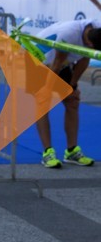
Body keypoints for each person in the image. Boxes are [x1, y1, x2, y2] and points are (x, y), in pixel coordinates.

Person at [34, 19, 101, 168]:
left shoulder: (97, 29)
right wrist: (47, 90)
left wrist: (73, 86)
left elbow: (84, 59)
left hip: (61, 63)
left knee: (72, 101)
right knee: (43, 101)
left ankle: (71, 151)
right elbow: (56, 65)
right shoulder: (69, 34)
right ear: (89, 43)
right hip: (40, 61)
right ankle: (47, 152)